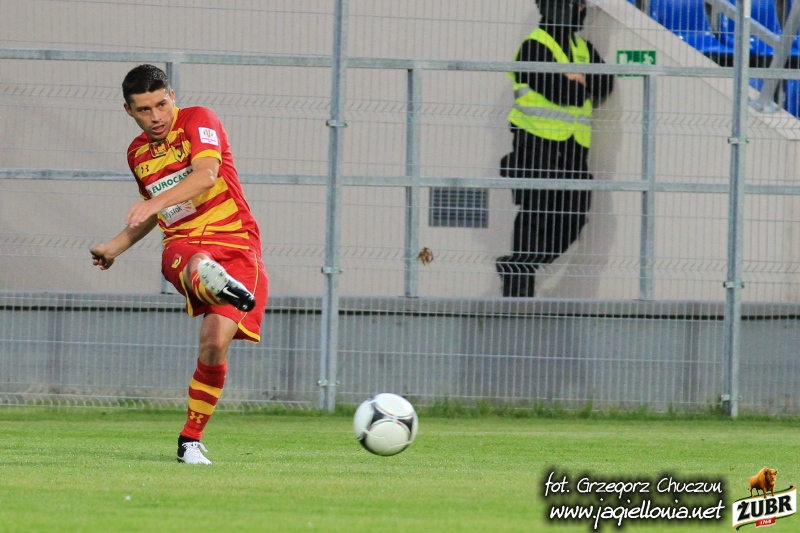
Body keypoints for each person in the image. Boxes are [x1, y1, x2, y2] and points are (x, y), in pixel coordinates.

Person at [90, 64, 269, 465]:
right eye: (144, 109)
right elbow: (156, 213)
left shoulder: (198, 119)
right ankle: (207, 277)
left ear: (172, 96)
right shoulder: (137, 153)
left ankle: (190, 440)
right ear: (128, 110)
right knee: (193, 260)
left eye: (161, 104)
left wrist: (153, 202)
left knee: (214, 343)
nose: (156, 116)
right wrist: (114, 247)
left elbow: (206, 175)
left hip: (236, 243)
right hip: (183, 245)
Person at [496, 0, 614, 297]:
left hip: (573, 149)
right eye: (577, 4)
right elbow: (564, 92)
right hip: (535, 144)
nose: (582, 10)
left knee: (575, 216)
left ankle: (518, 266)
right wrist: (578, 82)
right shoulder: (534, 46)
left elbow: (605, 84)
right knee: (536, 212)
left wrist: (577, 80)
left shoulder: (582, 48)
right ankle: (518, 289)